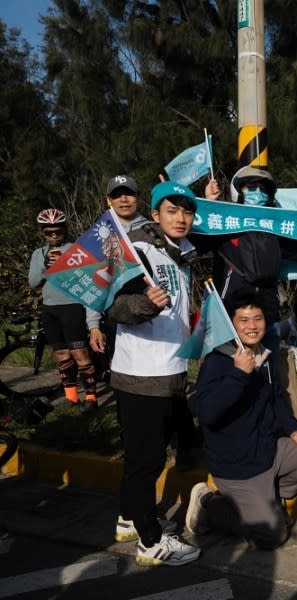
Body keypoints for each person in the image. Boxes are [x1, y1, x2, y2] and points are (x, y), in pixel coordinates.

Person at [186, 288, 297, 549]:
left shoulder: (263, 354)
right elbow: (207, 413)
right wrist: (239, 375)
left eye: (258, 319)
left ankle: (271, 497)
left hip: (269, 450)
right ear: (231, 324)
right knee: (273, 536)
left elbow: (275, 397)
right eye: (244, 320)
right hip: (239, 467)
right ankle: (209, 504)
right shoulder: (217, 362)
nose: (252, 327)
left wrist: (292, 429)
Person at [106, 181, 200, 566]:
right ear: (156, 215)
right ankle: (149, 540)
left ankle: (129, 518)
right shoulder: (139, 252)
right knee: (146, 462)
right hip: (142, 375)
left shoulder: (178, 257)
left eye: (187, 212)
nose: (181, 218)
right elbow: (115, 305)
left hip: (169, 371)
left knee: (142, 458)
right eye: (172, 211)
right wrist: (145, 303)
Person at [201, 169, 297, 361]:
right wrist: (209, 204)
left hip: (267, 316)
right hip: (229, 319)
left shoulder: (277, 228)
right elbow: (199, 240)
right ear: (240, 191)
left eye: (263, 189)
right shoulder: (225, 223)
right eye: (251, 187)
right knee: (227, 373)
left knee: (267, 376)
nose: (257, 192)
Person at [27, 209, 99, 411]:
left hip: (72, 306)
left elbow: (88, 281)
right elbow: (33, 282)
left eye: (57, 231)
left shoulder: (76, 249)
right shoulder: (38, 254)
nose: (54, 235)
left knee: (80, 353)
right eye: (49, 232)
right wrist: (45, 266)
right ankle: (71, 397)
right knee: (62, 355)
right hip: (50, 309)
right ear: (42, 232)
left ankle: (91, 397)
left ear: (64, 230)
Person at [87, 175, 152, 357]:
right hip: (116, 317)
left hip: (154, 314)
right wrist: (93, 326)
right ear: (109, 200)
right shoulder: (98, 235)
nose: (124, 200)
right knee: (122, 373)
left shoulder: (156, 230)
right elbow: (95, 285)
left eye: (129, 194)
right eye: (117, 195)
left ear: (138, 197)